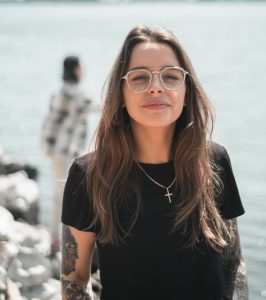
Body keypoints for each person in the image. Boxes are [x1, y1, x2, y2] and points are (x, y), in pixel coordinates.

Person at [60, 25, 248, 300]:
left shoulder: (214, 161)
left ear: (186, 92)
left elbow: (233, 261)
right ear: (120, 93)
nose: (156, 88)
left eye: (171, 77)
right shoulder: (88, 176)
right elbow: (74, 280)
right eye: (139, 78)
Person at [42, 55, 96, 253]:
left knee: (59, 195)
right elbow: (96, 106)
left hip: (58, 150)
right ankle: (60, 242)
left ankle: (54, 239)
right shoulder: (75, 93)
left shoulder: (59, 92)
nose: (83, 70)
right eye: (80, 67)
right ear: (75, 69)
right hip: (68, 151)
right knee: (65, 195)